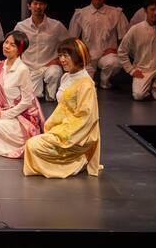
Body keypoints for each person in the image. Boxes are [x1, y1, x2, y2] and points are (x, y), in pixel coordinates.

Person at [23, 38, 102, 178]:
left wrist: (62, 133)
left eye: (66, 56)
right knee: (31, 144)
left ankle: (78, 161)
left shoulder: (86, 84)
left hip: (76, 135)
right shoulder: (66, 77)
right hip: (63, 128)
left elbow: (85, 118)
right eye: (60, 56)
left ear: (77, 56)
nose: (62, 60)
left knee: (32, 145)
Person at [0, 31, 44, 158]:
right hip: (7, 113)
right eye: (6, 42)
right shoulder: (1, 66)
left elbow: (27, 102)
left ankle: (20, 144)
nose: (7, 46)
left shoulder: (22, 70)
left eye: (12, 45)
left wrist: (3, 115)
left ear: (19, 50)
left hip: (23, 119)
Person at [68, 0, 129, 89]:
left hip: (107, 54)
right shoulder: (81, 13)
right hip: (88, 55)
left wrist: (116, 50)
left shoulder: (115, 13)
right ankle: (91, 80)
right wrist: (80, 54)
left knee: (114, 63)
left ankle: (105, 81)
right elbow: (73, 38)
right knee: (86, 85)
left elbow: (125, 37)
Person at [14, 0, 69, 102]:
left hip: (49, 65)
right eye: (35, 3)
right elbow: (14, 47)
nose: (38, 7)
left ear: (45, 6)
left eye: (41, 4)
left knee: (55, 72)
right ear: (29, 6)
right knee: (32, 99)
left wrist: (59, 59)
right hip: (28, 67)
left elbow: (69, 44)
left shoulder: (56, 26)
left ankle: (51, 96)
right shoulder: (21, 27)